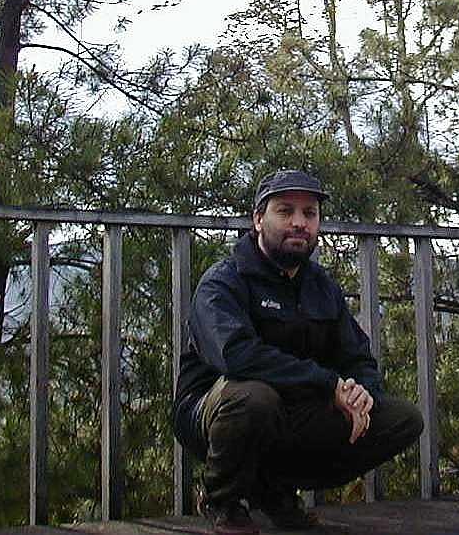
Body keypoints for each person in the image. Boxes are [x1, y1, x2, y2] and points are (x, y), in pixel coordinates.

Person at [173, 170, 424, 535]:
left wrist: (362, 393)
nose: (299, 223)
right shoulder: (224, 281)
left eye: (309, 213)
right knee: (254, 399)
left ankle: (273, 489)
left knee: (402, 418)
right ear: (258, 219)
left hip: (295, 409)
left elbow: (356, 356)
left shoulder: (321, 286)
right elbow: (237, 356)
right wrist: (327, 384)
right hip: (215, 412)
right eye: (285, 211)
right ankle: (222, 500)